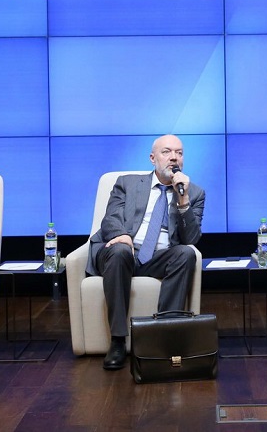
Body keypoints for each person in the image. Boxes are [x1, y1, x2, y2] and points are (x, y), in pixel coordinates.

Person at [86, 134, 205, 370]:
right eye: (167, 152)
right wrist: (122, 235)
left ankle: (165, 337)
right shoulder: (127, 183)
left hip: (158, 257)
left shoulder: (194, 193)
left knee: (186, 254)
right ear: (152, 158)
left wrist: (183, 200)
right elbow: (110, 218)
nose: (174, 157)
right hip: (121, 251)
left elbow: (190, 239)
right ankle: (118, 341)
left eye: (179, 153)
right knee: (120, 251)